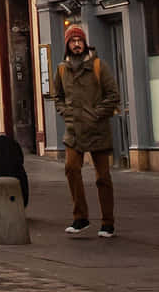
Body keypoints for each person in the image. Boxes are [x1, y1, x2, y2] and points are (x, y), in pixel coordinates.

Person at [50, 23, 120, 237]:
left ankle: (108, 222)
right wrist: (65, 112)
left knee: (103, 177)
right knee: (71, 169)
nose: (77, 44)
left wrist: (97, 114)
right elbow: (57, 95)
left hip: (97, 129)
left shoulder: (99, 66)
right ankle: (80, 218)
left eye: (80, 41)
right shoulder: (62, 69)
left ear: (85, 43)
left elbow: (113, 95)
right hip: (73, 131)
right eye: (73, 41)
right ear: (67, 45)